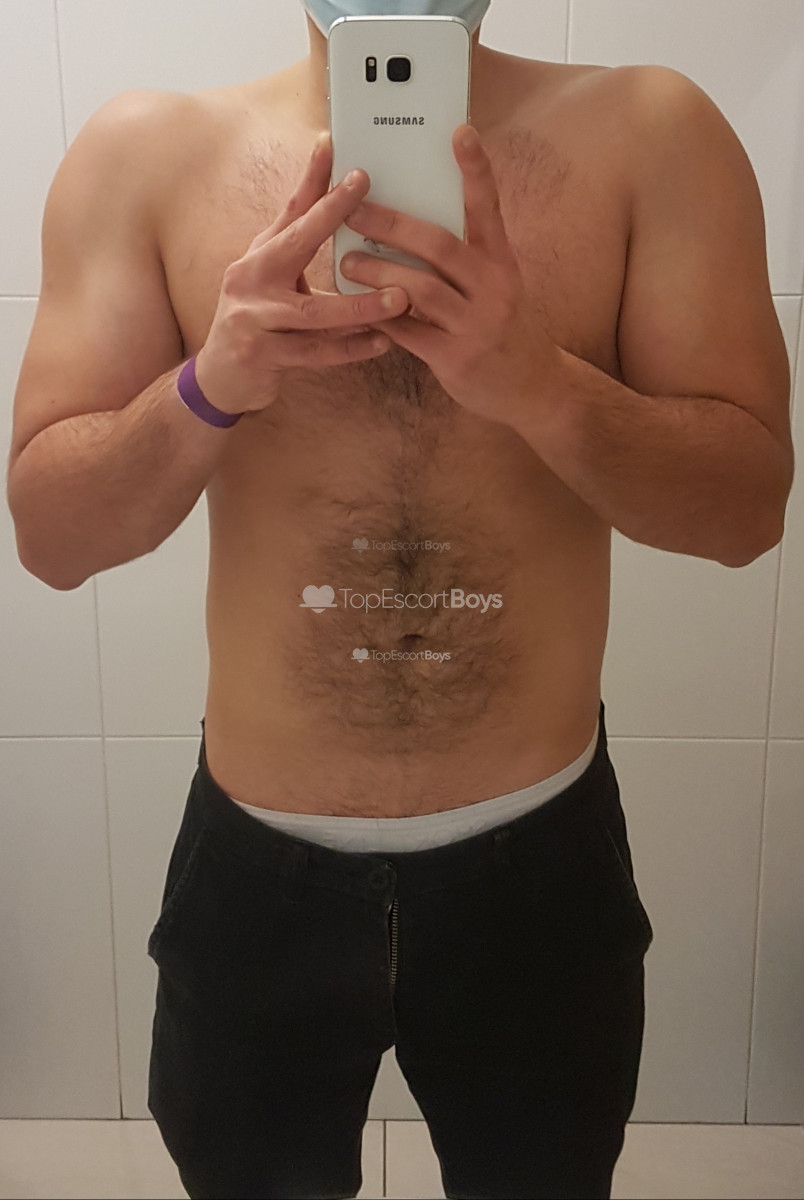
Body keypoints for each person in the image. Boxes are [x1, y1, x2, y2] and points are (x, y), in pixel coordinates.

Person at [6, 1, 794, 1196]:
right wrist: (212, 383)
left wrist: (539, 385)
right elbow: (54, 539)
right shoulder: (143, 156)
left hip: (540, 859)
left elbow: (744, 514)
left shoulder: (655, 136)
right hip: (258, 866)